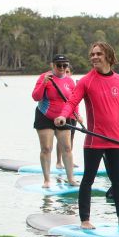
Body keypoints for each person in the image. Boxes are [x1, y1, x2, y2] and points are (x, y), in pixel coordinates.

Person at [58, 42, 119, 229]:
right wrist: (63, 115)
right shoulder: (87, 80)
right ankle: (85, 220)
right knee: (88, 179)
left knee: (117, 179)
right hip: (94, 140)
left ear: (109, 57)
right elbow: (72, 102)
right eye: (92, 54)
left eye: (98, 54)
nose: (94, 57)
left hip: (115, 140)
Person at [31, 54, 80, 187]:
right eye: (59, 65)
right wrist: (44, 83)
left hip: (64, 117)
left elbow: (73, 101)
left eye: (65, 65)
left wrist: (77, 115)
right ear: (53, 65)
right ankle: (47, 180)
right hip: (45, 116)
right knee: (46, 148)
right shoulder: (44, 77)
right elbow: (35, 97)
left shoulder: (70, 81)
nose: (62, 68)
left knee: (67, 148)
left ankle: (71, 179)